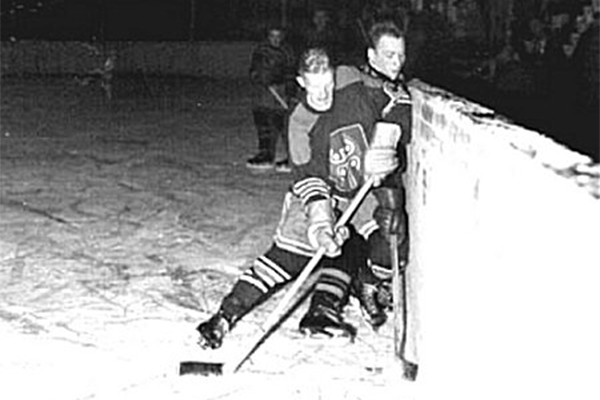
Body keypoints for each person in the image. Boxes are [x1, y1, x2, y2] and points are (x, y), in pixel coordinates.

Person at [196, 48, 402, 349]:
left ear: (335, 75)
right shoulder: (299, 122)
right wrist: (321, 223)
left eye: (328, 84)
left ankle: (346, 297)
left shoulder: (351, 79)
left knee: (384, 236)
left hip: (359, 192)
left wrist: (385, 142)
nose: (324, 95)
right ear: (301, 82)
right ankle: (223, 317)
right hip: (321, 195)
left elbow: (398, 99)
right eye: (315, 87)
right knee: (288, 258)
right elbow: (310, 180)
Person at [246, 25, 295, 171]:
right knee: (263, 123)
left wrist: (286, 89)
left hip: (279, 93)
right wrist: (258, 76)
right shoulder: (261, 51)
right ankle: (265, 154)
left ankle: (293, 157)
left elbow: (290, 72)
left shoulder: (287, 52)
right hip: (263, 93)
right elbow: (254, 69)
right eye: (272, 36)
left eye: (278, 36)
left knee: (282, 124)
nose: (275, 39)